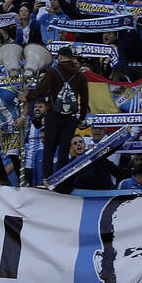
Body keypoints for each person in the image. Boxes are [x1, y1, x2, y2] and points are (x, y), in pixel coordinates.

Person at [24, 47, 87, 185]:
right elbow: (85, 98)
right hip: (70, 117)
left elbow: (42, 89)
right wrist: (81, 118)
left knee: (49, 148)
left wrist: (28, 97)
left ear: (60, 57)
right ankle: (61, 179)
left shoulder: (54, 71)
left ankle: (47, 178)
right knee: (64, 149)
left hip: (53, 116)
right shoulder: (80, 75)